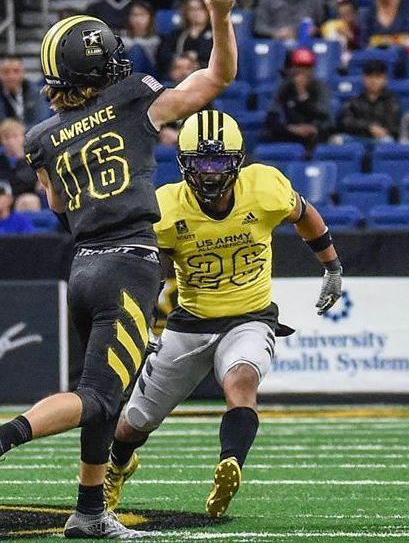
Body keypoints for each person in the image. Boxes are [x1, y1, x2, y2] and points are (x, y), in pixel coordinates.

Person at [0, 0, 242, 539]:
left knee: (104, 400)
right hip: (129, 264)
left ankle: (89, 511)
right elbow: (217, 77)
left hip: (84, 266)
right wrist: (218, 12)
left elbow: (57, 203)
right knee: (97, 395)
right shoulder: (133, 99)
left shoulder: (40, 136)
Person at [103, 110, 342, 518]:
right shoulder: (167, 206)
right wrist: (144, 313)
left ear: (238, 160)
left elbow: (304, 214)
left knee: (242, 380)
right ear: (184, 163)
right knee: (136, 421)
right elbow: (153, 270)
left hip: (250, 317)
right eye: (201, 162)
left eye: (218, 161)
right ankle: (118, 466)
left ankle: (230, 462)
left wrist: (331, 266)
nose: (210, 172)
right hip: (190, 322)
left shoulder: (264, 187)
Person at [0, 57, 50, 145]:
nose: (11, 76)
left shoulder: (35, 92)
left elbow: (42, 122)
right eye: (6, 72)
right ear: (0, 74)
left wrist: (19, 130)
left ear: (23, 73)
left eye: (16, 71)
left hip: (27, 139)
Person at [266, 48, 333, 148]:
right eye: (299, 67)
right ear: (292, 68)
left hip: (313, 136)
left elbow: (324, 116)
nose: (303, 71)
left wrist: (303, 96)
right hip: (288, 134)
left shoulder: (320, 88)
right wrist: (291, 129)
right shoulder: (284, 87)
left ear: (313, 69)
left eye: (307, 67)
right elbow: (272, 116)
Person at [337, 59, 400, 143]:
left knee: (387, 141)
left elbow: (392, 126)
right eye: (369, 77)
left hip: (380, 139)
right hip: (357, 137)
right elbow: (345, 122)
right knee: (338, 140)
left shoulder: (392, 101)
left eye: (378, 77)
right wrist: (368, 127)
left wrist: (378, 130)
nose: (373, 81)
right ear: (363, 78)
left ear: (385, 79)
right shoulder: (355, 99)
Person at [156, 0, 213, 78]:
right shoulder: (177, 34)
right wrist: (177, 59)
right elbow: (163, 53)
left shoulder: (216, 33)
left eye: (200, 8)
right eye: (191, 9)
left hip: (205, 74)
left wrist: (196, 56)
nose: (196, 13)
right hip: (177, 73)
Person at [121, 0, 160, 71]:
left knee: (136, 50)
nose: (138, 20)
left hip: (149, 73)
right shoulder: (122, 38)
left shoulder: (158, 39)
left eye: (142, 15)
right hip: (126, 71)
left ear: (150, 18)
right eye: (135, 15)